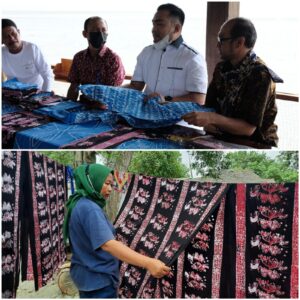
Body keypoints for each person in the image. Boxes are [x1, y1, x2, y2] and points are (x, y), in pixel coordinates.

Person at [63, 164, 170, 298]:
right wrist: (149, 263)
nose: (110, 189)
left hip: (87, 277)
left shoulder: (79, 204)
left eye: (111, 185)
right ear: (92, 181)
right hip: (98, 281)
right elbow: (108, 244)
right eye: (106, 183)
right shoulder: (90, 209)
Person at [183, 17, 282, 146]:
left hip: (254, 144)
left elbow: (247, 129)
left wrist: (211, 119)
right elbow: (210, 109)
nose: (218, 45)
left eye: (222, 40)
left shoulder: (260, 74)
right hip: (221, 138)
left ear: (239, 42)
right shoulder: (221, 68)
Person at [125, 4, 207, 105]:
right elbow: (135, 87)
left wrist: (165, 100)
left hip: (178, 118)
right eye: (153, 24)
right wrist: (108, 90)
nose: (153, 30)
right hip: (145, 114)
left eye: (160, 25)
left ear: (176, 28)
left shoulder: (193, 57)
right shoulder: (146, 53)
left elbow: (198, 99)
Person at [67, 16, 126, 101]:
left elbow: (112, 94)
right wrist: (68, 105)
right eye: (95, 30)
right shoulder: (79, 58)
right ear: (85, 34)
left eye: (104, 30)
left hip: (106, 107)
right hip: (83, 104)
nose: (100, 33)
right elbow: (74, 87)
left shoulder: (113, 60)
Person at [2, 18, 53, 92]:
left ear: (18, 32)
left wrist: (45, 94)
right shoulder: (2, 53)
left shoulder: (32, 49)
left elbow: (47, 74)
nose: (11, 38)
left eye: (13, 33)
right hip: (14, 93)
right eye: (6, 36)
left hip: (36, 92)